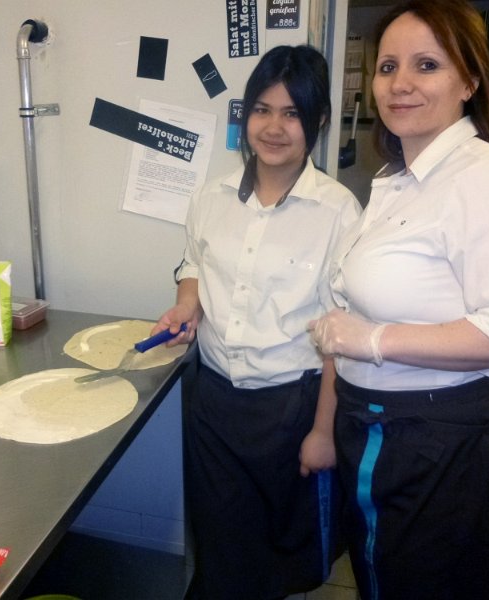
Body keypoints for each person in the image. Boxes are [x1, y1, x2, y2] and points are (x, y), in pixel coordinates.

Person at [308, 1, 489, 599]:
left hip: (445, 450)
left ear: (469, 81)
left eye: (426, 65)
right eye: (388, 66)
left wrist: (371, 340)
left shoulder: (488, 180)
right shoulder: (396, 181)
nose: (400, 83)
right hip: (384, 432)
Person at [152, 45, 360, 599]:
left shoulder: (339, 212)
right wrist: (186, 302)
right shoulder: (210, 196)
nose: (273, 127)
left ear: (316, 122)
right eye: (262, 109)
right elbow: (194, 261)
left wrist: (322, 431)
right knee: (221, 549)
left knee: (279, 557)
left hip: (291, 409)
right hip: (215, 404)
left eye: (292, 114)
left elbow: (341, 332)